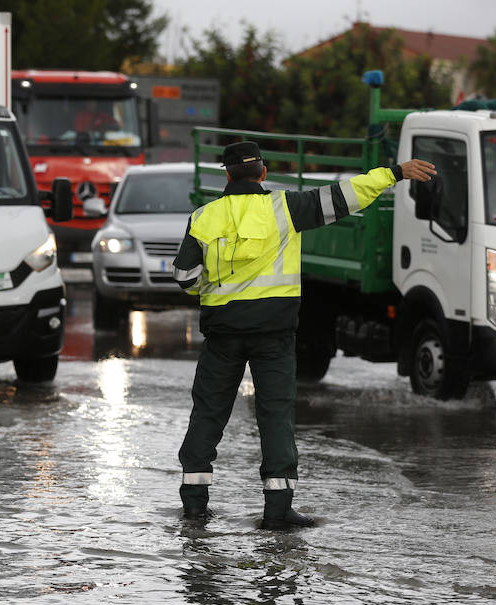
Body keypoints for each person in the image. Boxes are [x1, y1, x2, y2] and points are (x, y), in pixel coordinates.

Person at [172, 141, 436, 530]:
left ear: (226, 175)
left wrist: (213, 292)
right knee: (275, 417)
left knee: (208, 416)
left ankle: (195, 507)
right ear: (262, 173)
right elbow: (346, 197)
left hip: (223, 334)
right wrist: (394, 173)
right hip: (274, 336)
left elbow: (184, 277)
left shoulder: (204, 217)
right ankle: (277, 511)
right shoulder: (286, 208)